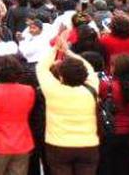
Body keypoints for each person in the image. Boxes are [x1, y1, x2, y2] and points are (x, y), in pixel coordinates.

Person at [36, 30, 101, 175]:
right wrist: (68, 51)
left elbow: (41, 67)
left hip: (58, 145)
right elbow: (89, 68)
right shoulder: (91, 88)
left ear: (61, 77)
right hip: (88, 144)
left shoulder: (52, 90)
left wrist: (56, 49)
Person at [98, 54, 129, 175]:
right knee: (123, 164)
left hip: (110, 129)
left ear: (115, 68)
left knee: (107, 165)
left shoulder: (107, 86)